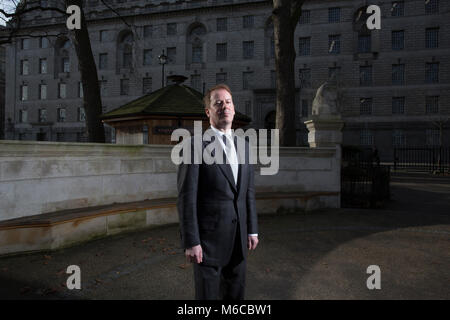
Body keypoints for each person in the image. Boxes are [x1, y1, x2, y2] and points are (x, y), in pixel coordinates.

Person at [176, 84, 259, 300]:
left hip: (239, 241)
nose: (224, 106)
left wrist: (252, 230)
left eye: (228, 102)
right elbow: (187, 199)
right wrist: (191, 241)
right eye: (218, 103)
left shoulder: (245, 146)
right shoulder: (193, 146)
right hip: (207, 244)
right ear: (208, 111)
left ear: (234, 108)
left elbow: (248, 192)